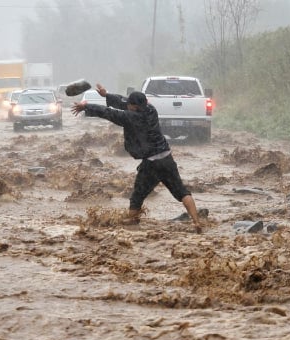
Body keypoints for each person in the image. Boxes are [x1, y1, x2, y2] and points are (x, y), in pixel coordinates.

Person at [72, 84, 204, 233]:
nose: (127, 106)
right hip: (167, 158)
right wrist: (107, 95)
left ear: (133, 107)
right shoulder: (151, 109)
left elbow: (108, 112)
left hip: (151, 164)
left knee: (137, 196)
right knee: (182, 192)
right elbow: (123, 102)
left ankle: (131, 225)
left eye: (130, 105)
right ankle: (196, 222)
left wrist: (86, 106)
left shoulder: (131, 117)